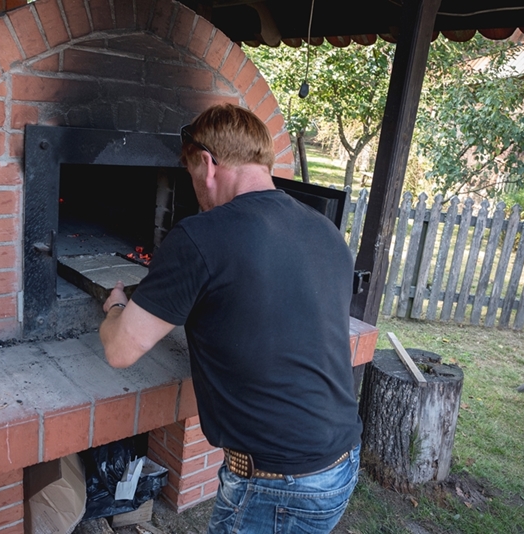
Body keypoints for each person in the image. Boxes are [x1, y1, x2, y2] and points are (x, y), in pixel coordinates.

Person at [99, 103, 362, 533]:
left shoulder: (201, 235)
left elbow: (119, 349)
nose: (195, 191)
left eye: (191, 175)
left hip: (278, 483)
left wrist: (115, 306)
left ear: (207, 163)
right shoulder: (325, 230)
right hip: (341, 459)